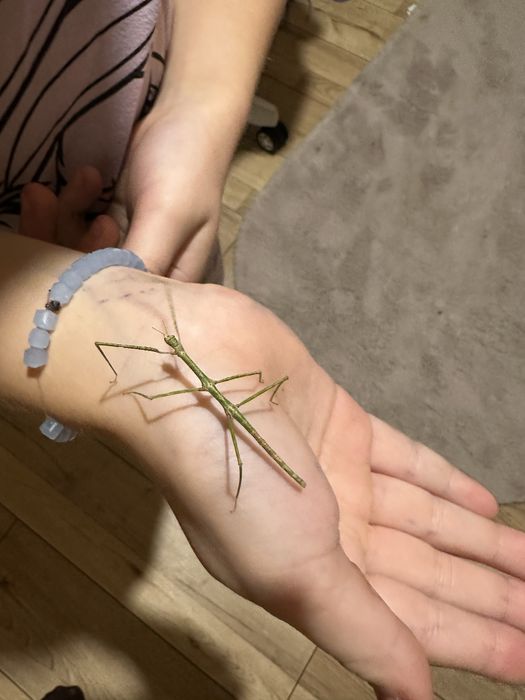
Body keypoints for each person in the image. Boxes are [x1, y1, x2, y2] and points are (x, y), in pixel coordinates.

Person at [1, 4, 525, 700]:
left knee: (216, 406)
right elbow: (149, 355)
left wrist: (203, 106)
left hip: (134, 138)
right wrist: (88, 329)